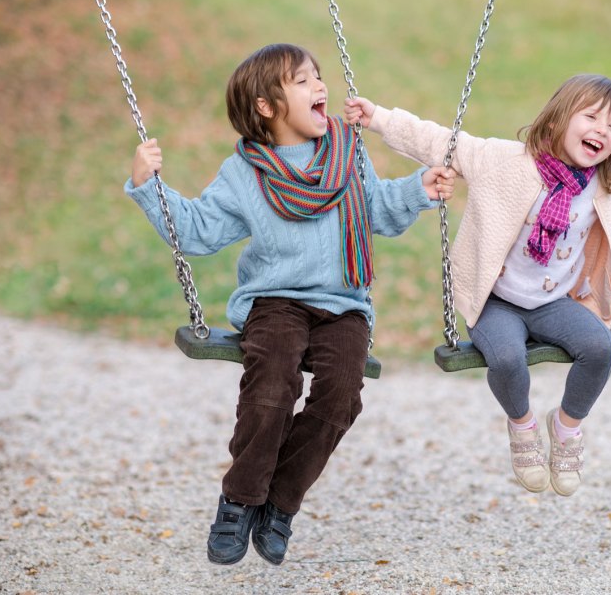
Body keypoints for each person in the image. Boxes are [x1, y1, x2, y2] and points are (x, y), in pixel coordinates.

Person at [125, 43, 455, 566]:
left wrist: (419, 188)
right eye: (301, 81)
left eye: (317, 78)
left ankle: (280, 502)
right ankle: (239, 500)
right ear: (266, 106)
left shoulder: (347, 153)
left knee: (343, 395)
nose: (319, 87)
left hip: (344, 301)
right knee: (272, 384)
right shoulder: (245, 173)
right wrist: (149, 187)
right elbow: (198, 231)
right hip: (275, 302)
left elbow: (378, 211)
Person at [344, 74, 611, 497]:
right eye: (592, 116)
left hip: (552, 302)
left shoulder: (602, 189)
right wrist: (378, 117)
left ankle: (565, 430)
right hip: (496, 303)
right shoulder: (504, 161)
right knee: (507, 360)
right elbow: (442, 142)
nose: (602, 129)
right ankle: (523, 427)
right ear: (559, 119)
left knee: (601, 348)